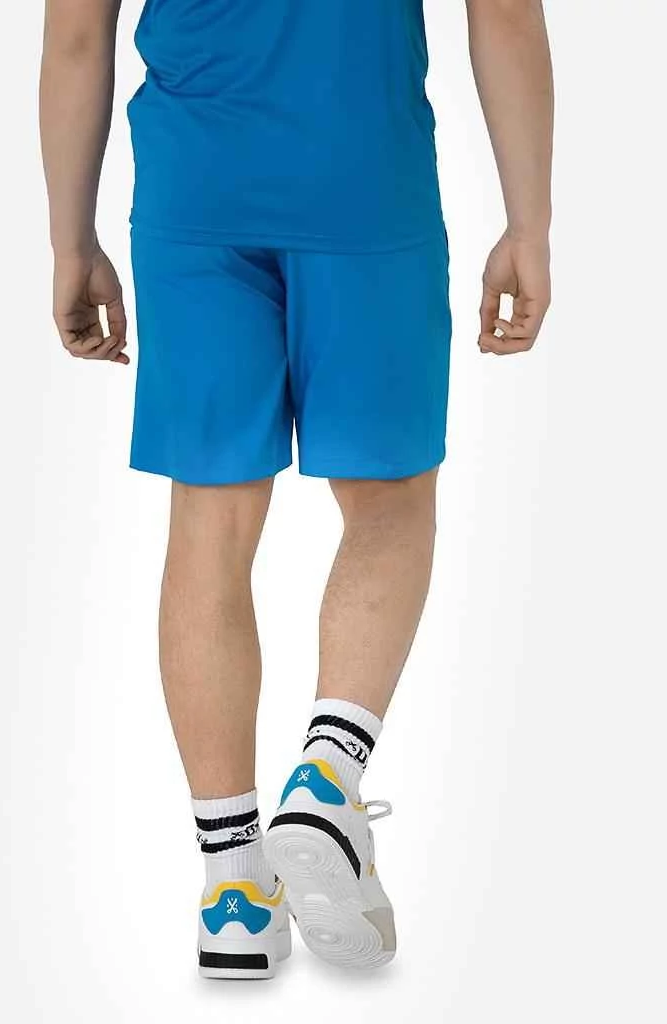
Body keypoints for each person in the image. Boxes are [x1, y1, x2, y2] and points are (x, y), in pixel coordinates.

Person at [40, 0, 553, 979]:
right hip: (364, 178)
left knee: (211, 519)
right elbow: (505, 14)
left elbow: (74, 34)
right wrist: (530, 223)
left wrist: (71, 241)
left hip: (197, 188)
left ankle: (233, 888)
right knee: (389, 497)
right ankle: (328, 774)